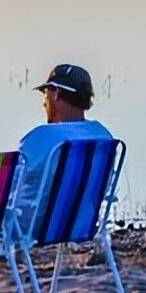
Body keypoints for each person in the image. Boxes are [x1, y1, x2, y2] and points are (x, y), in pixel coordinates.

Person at [14, 63, 114, 232]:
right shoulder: (103, 136)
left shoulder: (42, 137)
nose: (43, 103)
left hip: (33, 232)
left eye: (45, 94)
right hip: (80, 229)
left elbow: (15, 188)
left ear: (56, 94)